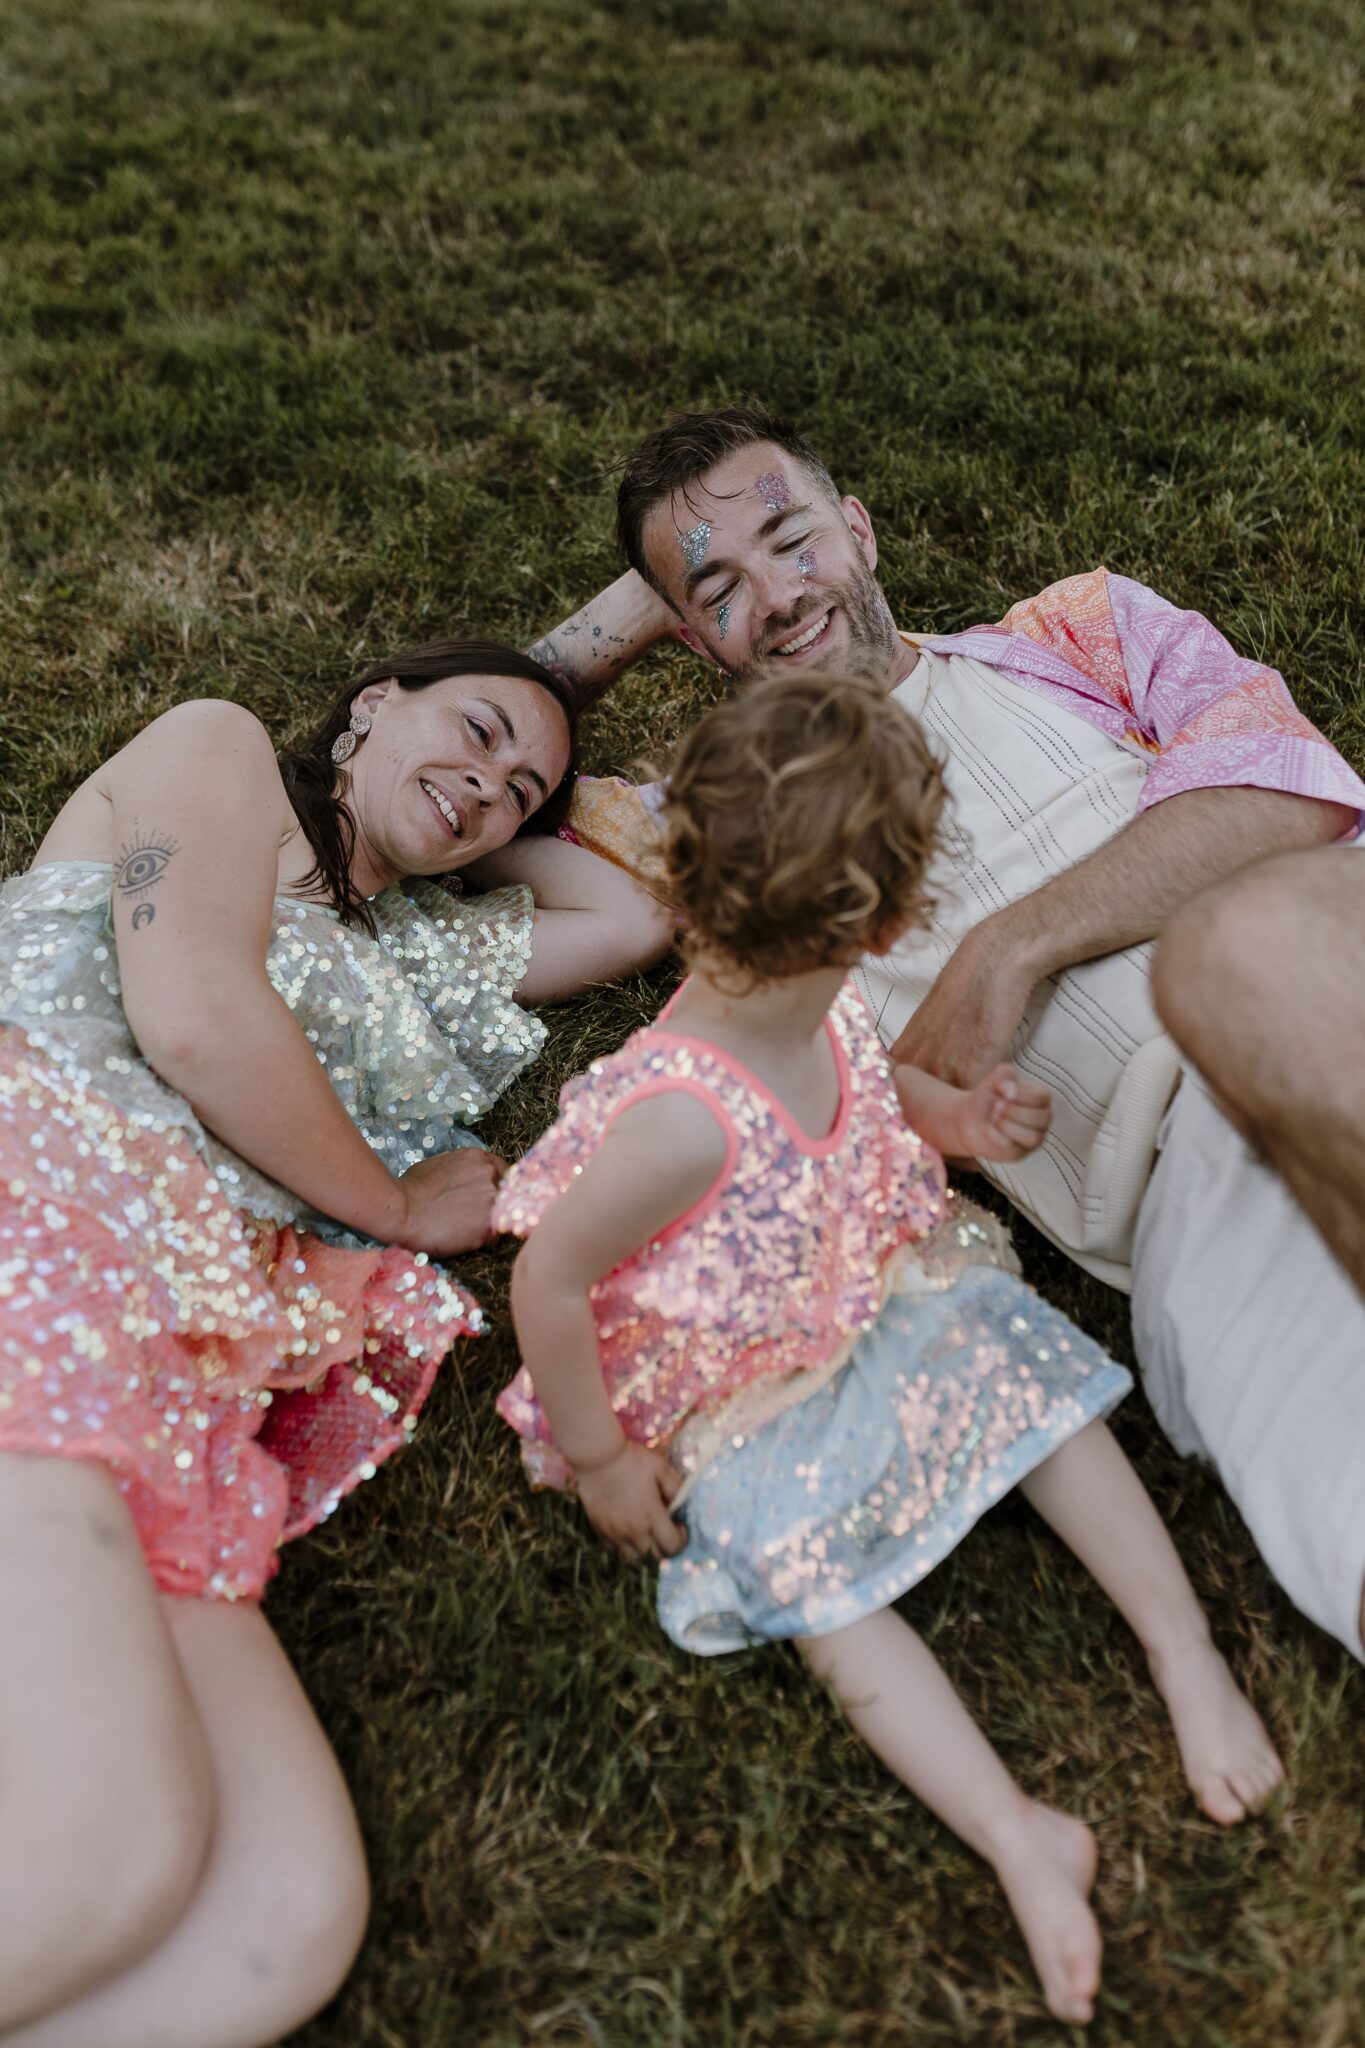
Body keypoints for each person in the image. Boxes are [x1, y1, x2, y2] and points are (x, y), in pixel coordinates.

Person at [492, 674, 1283, 2028]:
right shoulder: (680, 1122)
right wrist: (602, 1453)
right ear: (898, 920)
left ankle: (1181, 1652)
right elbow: (548, 1279)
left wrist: (954, 1121)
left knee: (1034, 1386)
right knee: (818, 1595)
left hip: (861, 1282)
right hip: (731, 1371)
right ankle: (1012, 1830)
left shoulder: (816, 999)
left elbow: (872, 1083)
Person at [527, 404, 1365, 1659]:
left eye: (792, 538)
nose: (778, 593)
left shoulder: (1076, 630)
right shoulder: (715, 835)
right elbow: (470, 789)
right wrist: (645, 604)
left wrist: (1009, 947)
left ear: (858, 528)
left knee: (1240, 953)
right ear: (691, 639)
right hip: (1196, 1188)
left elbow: (1286, 788)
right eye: (720, 592)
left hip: (1334, 979)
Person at [0, 639, 672, 2048]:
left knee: (281, 1906)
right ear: (370, 701)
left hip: (182, 1352)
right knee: (113, 1849)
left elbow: (623, 913)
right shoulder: (215, 752)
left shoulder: (436, 954)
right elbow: (188, 1013)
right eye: (473, 731)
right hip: (44, 1212)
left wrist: (502, 813)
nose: (489, 785)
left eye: (518, 792)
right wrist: (390, 1205)